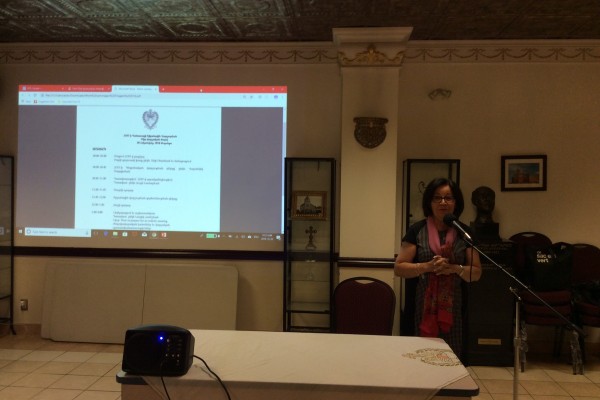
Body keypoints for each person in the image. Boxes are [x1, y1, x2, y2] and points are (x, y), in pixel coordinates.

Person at [394, 178, 482, 359]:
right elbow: (399, 268)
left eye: (448, 198)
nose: (443, 202)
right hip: (421, 306)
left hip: (455, 307)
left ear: (456, 202)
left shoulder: (464, 233)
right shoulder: (417, 230)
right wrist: (427, 266)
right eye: (437, 198)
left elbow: (476, 273)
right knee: (421, 357)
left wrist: (454, 268)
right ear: (429, 202)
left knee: (451, 359)